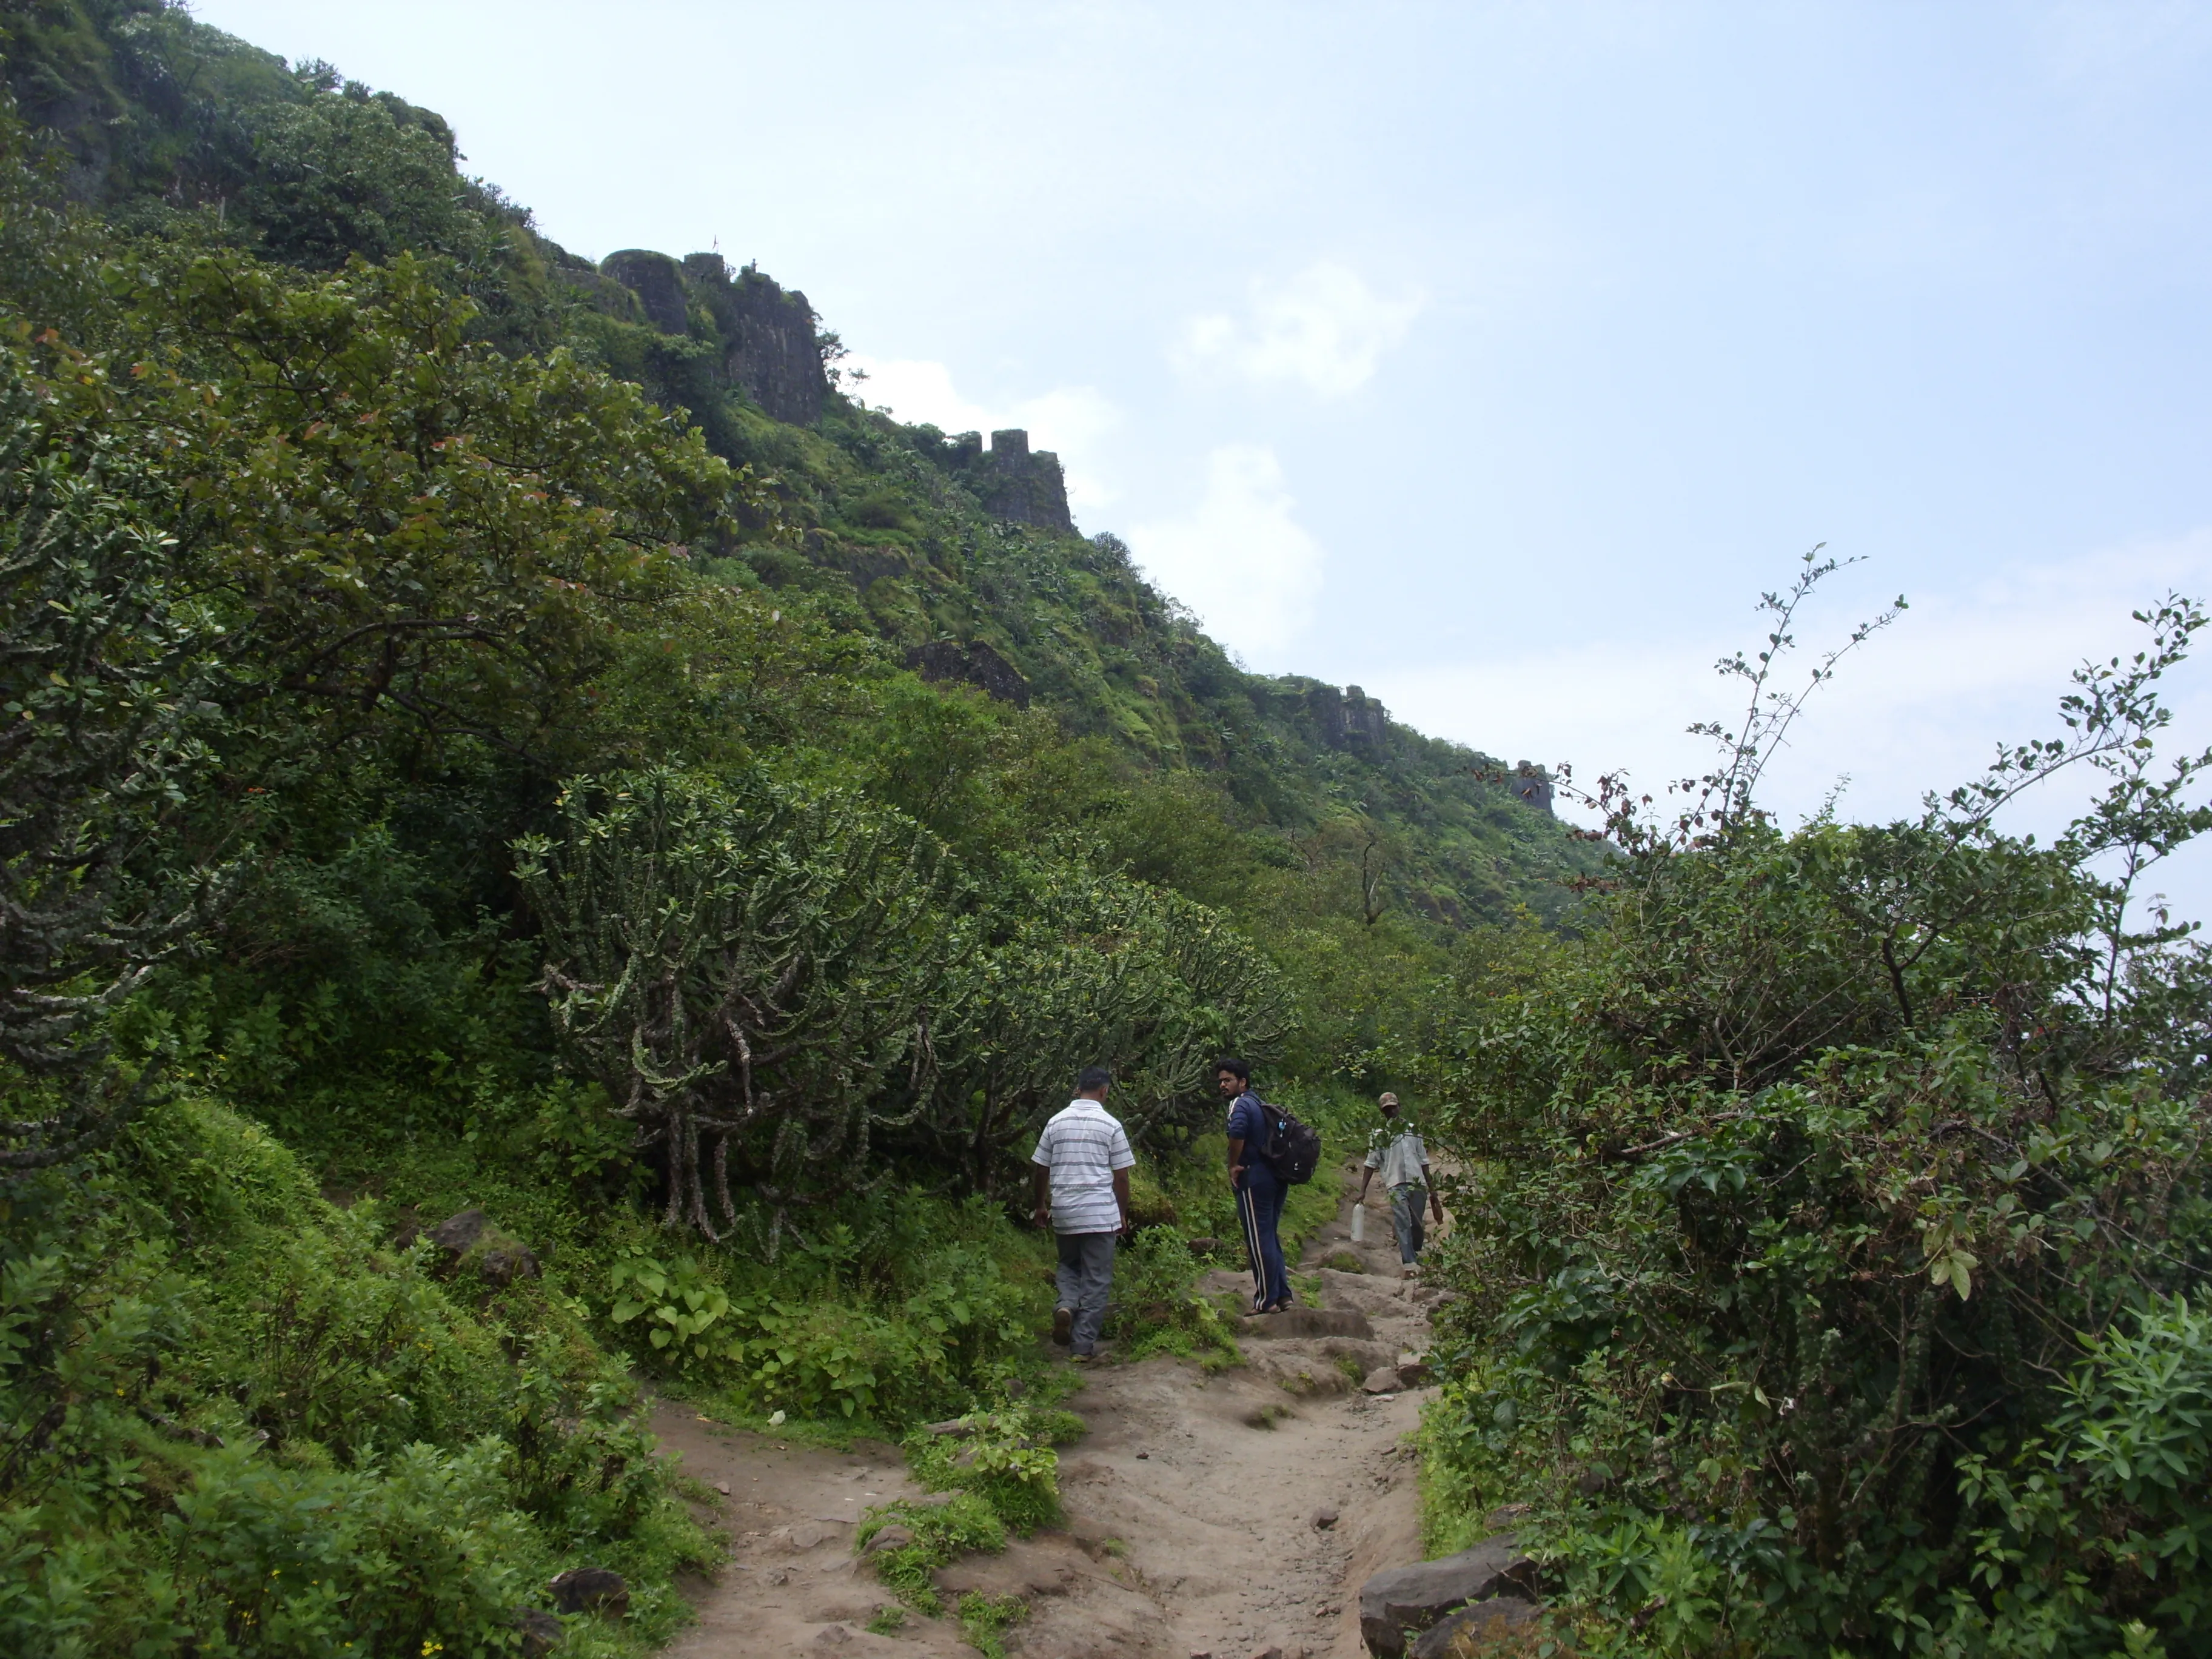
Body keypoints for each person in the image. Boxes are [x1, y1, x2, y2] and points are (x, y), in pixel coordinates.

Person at [1030, 1065, 1134, 1362]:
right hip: (1100, 1213)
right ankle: (1082, 1346)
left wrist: (1041, 1205)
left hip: (1065, 1210)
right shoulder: (1111, 1125)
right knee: (1097, 1278)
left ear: (1078, 1089)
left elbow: (1041, 1169)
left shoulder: (1055, 1122)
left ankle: (1065, 1304)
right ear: (1104, 1091)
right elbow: (1122, 1177)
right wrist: (1121, 1213)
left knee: (1068, 1265)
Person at [1220, 1056, 1291, 1315]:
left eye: (1228, 1080)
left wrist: (1234, 1165)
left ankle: (1266, 1300)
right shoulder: (1260, 1104)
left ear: (1243, 1082)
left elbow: (1237, 1131)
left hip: (1255, 1178)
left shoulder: (1239, 1104)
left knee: (1258, 1239)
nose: (1223, 1085)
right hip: (1276, 1177)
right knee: (1269, 1235)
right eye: (1221, 1081)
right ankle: (1283, 1296)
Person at [1358, 1091, 1444, 1275]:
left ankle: (1416, 1252)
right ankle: (1409, 1263)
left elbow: (1423, 1161)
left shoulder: (1413, 1131)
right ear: (1383, 1112)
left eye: (1393, 1108)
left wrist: (1432, 1189)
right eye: (1387, 1110)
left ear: (1399, 1107)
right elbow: (1370, 1163)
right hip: (1395, 1183)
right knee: (1403, 1222)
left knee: (1417, 1224)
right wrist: (1362, 1191)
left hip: (1417, 1183)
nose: (1391, 1112)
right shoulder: (1379, 1135)